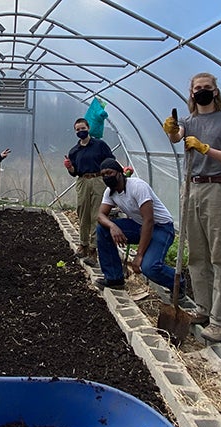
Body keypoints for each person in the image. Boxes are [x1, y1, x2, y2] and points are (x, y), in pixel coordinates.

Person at [162, 72, 221, 343]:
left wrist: (206, 149)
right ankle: (203, 308)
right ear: (191, 92)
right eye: (197, 88)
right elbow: (178, 136)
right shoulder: (188, 121)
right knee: (197, 255)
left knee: (220, 257)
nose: (202, 91)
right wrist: (172, 130)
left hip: (218, 189)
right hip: (191, 187)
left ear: (216, 91)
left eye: (207, 88)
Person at [94, 158, 180, 294]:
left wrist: (139, 255)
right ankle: (114, 278)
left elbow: (149, 220)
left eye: (109, 172)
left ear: (119, 173)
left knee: (149, 267)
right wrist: (112, 226)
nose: (106, 177)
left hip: (161, 228)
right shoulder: (110, 192)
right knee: (103, 229)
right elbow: (100, 215)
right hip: (139, 226)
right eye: (103, 174)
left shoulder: (137, 186)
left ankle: (178, 284)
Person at [64, 117, 115, 266]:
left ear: (88, 128)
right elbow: (74, 172)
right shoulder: (74, 151)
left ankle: (93, 250)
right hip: (82, 181)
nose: (81, 131)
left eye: (83, 128)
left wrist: (107, 174)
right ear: (75, 132)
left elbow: (110, 160)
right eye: (78, 129)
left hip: (98, 180)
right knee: (82, 212)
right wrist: (69, 167)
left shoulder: (99, 145)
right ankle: (83, 244)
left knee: (96, 214)